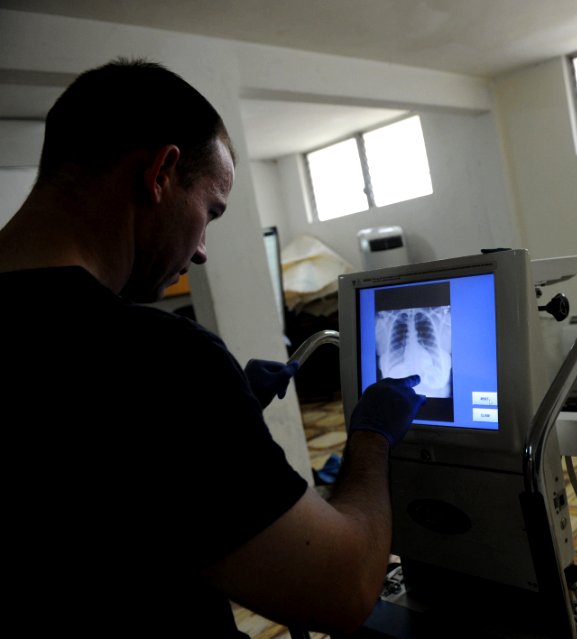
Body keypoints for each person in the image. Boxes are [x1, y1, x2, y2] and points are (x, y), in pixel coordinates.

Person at [0, 59, 425, 637]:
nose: (201, 249)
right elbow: (344, 589)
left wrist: (217, 415)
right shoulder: (161, 362)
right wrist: (372, 438)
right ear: (161, 173)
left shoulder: (151, 383)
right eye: (210, 212)